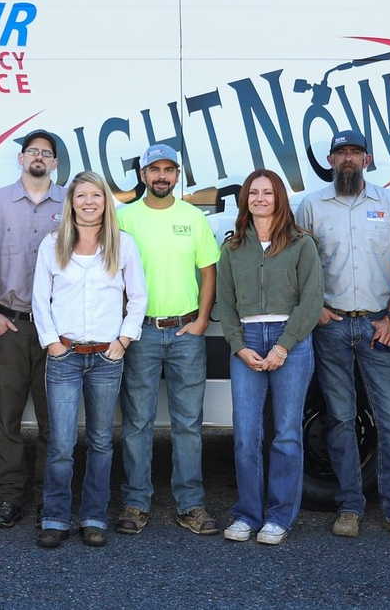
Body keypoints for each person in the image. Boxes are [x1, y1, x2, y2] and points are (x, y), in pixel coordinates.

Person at [296, 129, 390, 541]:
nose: (348, 158)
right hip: (330, 328)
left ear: (367, 159)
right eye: (341, 152)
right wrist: (315, 309)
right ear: (331, 161)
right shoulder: (311, 207)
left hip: (375, 328)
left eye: (355, 152)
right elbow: (299, 265)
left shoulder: (389, 204)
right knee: (340, 420)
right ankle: (349, 507)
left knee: (389, 421)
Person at [32, 171, 147, 549]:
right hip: (64, 356)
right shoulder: (52, 245)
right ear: (71, 202)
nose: (89, 202)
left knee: (100, 442)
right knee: (61, 444)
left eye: (95, 195)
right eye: (81, 195)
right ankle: (55, 517)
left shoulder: (123, 245)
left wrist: (124, 340)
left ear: (105, 201)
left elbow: (138, 297)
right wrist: (52, 344)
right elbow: (40, 301)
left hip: (106, 357)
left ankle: (94, 516)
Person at [115, 144, 221, 536]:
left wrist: (202, 321)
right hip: (139, 332)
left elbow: (208, 273)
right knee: (137, 422)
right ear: (142, 175)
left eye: (168, 170)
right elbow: (114, 274)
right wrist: (126, 326)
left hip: (185, 332)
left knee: (189, 425)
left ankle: (190, 505)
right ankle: (135, 502)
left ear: (178, 175)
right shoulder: (124, 218)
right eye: (153, 169)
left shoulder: (193, 217)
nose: (161, 176)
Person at [215, 169, 323, 545]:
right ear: (245, 198)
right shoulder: (232, 248)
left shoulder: (300, 243)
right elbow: (224, 302)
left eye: (267, 192)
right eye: (253, 193)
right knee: (246, 434)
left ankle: (279, 517)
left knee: (287, 435)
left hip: (288, 340)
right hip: (246, 339)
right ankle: (247, 514)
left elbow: (311, 300)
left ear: (279, 197)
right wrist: (238, 344)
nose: (260, 198)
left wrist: (284, 345)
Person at [0, 129, 65, 528]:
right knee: (6, 418)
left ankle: (50, 497)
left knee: (54, 419)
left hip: (58, 331)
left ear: (56, 163)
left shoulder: (72, 201)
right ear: (21, 158)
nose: (39, 158)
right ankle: (9, 497)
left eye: (46, 153)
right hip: (9, 324)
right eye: (32, 152)